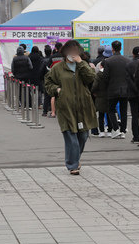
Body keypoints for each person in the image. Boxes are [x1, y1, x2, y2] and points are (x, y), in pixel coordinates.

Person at [44, 40, 97, 175]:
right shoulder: (58, 68)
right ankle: (72, 165)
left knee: (83, 135)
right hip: (65, 107)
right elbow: (48, 83)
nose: (73, 54)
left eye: (75, 52)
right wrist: (57, 90)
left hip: (84, 107)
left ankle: (75, 159)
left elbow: (91, 78)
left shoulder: (83, 66)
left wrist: (81, 63)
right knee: (70, 136)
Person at [102, 41, 130, 139]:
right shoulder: (127, 60)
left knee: (110, 109)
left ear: (112, 49)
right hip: (125, 89)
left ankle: (116, 129)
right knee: (123, 111)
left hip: (112, 89)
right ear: (121, 48)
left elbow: (105, 77)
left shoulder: (108, 61)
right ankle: (123, 131)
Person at [126, 46, 139, 143]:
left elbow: (128, 80)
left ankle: (136, 137)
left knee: (135, 116)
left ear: (133, 54)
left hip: (132, 94)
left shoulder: (129, 65)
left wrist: (135, 89)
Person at [92, 62, 112, 137]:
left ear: (101, 66)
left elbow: (95, 85)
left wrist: (93, 92)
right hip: (109, 96)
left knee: (101, 115)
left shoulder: (99, 75)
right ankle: (110, 131)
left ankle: (102, 131)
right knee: (109, 114)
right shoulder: (110, 74)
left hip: (100, 96)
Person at [47, 42, 64, 118]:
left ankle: (53, 113)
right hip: (65, 77)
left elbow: (48, 67)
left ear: (55, 48)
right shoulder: (65, 56)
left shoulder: (53, 57)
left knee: (54, 95)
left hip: (55, 77)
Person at [41, 45, 53, 116]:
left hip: (46, 79)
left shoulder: (43, 60)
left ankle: (45, 111)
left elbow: (41, 70)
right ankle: (52, 109)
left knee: (46, 96)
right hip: (54, 79)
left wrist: (42, 78)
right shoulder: (52, 59)